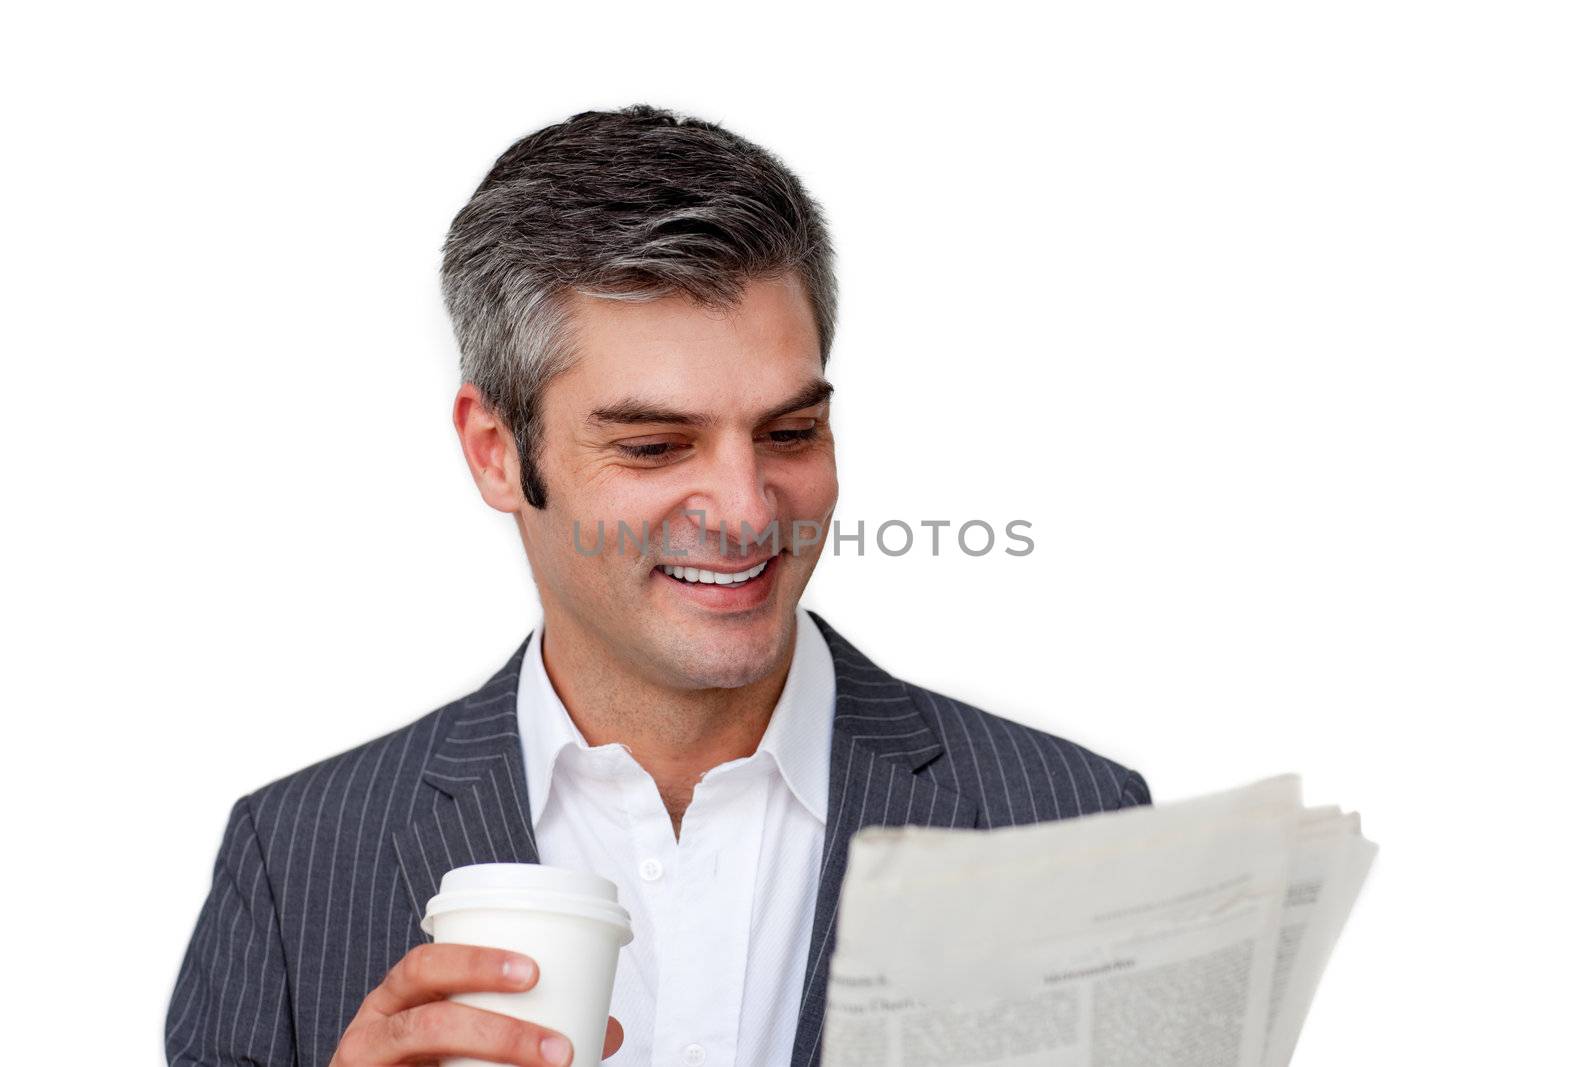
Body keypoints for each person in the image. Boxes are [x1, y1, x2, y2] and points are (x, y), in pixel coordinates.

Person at [165, 103, 1151, 1067]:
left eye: (790, 431)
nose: (747, 509)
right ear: (495, 450)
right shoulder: (294, 862)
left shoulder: (1075, 825)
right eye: (651, 444)